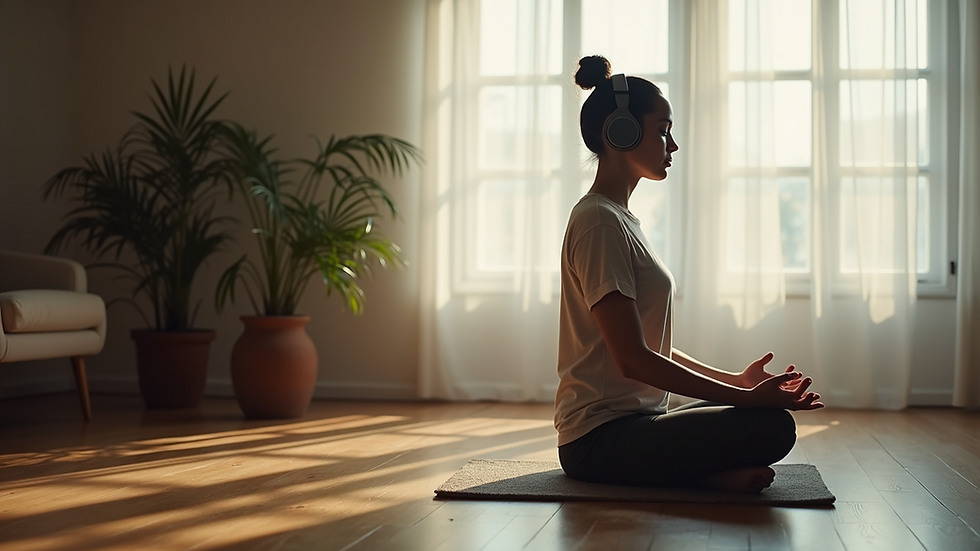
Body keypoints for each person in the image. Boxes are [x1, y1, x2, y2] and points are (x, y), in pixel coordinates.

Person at [555, 55, 824, 494]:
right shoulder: (599, 222)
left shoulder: (618, 218)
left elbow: (647, 344)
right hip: (597, 442)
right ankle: (701, 476)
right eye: (663, 131)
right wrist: (745, 397)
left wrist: (734, 382)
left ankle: (697, 472)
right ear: (621, 132)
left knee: (762, 419)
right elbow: (632, 358)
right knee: (770, 427)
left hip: (640, 424)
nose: (673, 145)